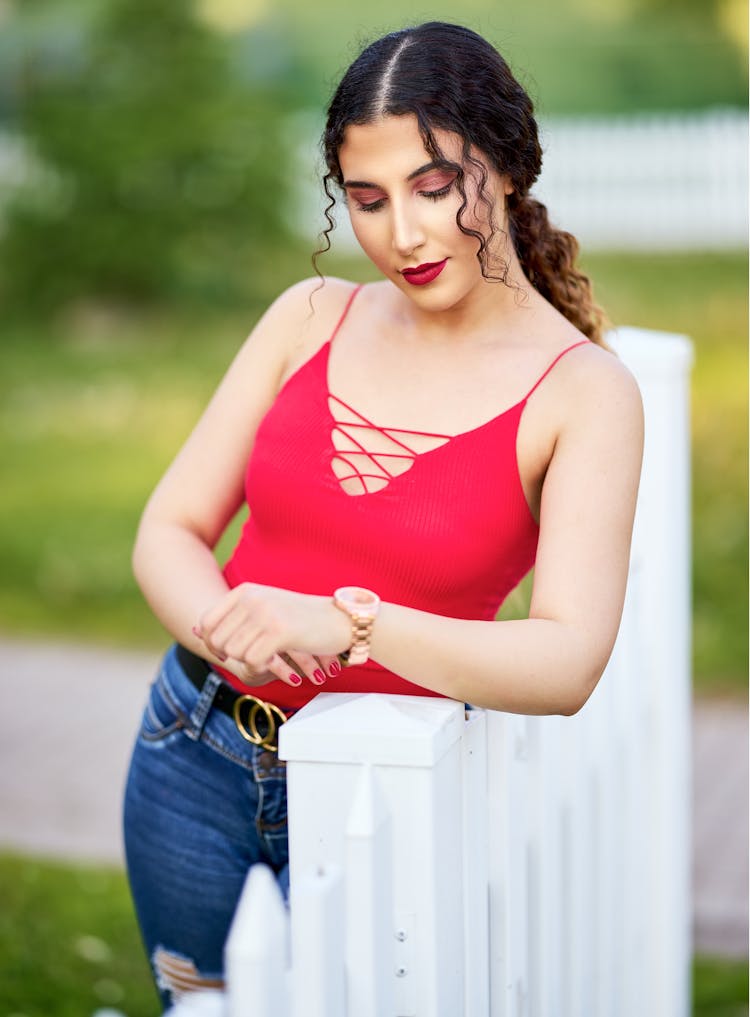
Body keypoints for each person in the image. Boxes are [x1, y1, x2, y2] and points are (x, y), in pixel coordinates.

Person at [123, 20, 643, 1008]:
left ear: (509, 165)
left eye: (434, 188)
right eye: (367, 200)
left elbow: (568, 660)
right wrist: (233, 633)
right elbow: (170, 530)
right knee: (198, 1008)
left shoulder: (583, 394)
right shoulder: (309, 317)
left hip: (384, 793)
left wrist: (355, 623)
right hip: (194, 752)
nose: (400, 234)